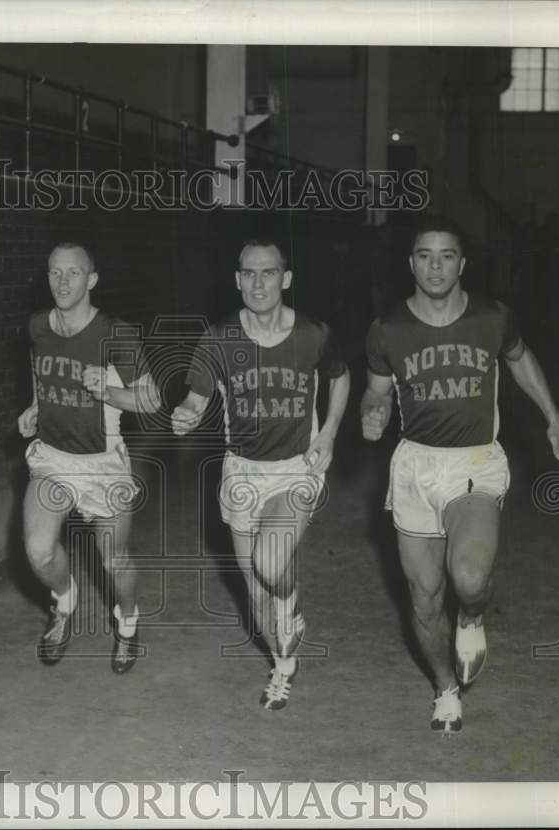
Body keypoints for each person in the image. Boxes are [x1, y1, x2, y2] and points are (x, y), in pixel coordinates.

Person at [361, 215, 559, 733]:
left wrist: (553, 418)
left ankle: (474, 615)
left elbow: (521, 361)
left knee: (470, 578)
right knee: (425, 596)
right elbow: (377, 390)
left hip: (475, 462)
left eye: (447, 255)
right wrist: (372, 412)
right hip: (415, 466)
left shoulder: (492, 317)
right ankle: (445, 688)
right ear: (410, 262)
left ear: (463, 263)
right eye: (425, 255)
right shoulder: (388, 328)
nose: (436, 266)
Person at [172, 240, 350, 710]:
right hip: (242, 471)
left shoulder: (313, 333)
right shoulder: (219, 339)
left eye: (268, 273)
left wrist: (328, 432)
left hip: (295, 470)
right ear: (237, 279)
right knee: (254, 593)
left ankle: (291, 606)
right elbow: (196, 398)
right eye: (248, 273)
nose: (257, 283)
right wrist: (186, 414)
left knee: (271, 566)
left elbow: (340, 375)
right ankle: (283, 665)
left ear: (285, 279)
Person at [17, 242, 160, 673]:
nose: (62, 282)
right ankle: (65, 601)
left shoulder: (116, 334)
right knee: (39, 551)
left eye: (73, 273)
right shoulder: (38, 326)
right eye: (55, 272)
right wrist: (36, 407)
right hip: (53, 458)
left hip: (103, 461)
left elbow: (152, 399)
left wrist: (110, 392)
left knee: (113, 559)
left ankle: (128, 624)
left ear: (91, 280)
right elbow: (42, 373)